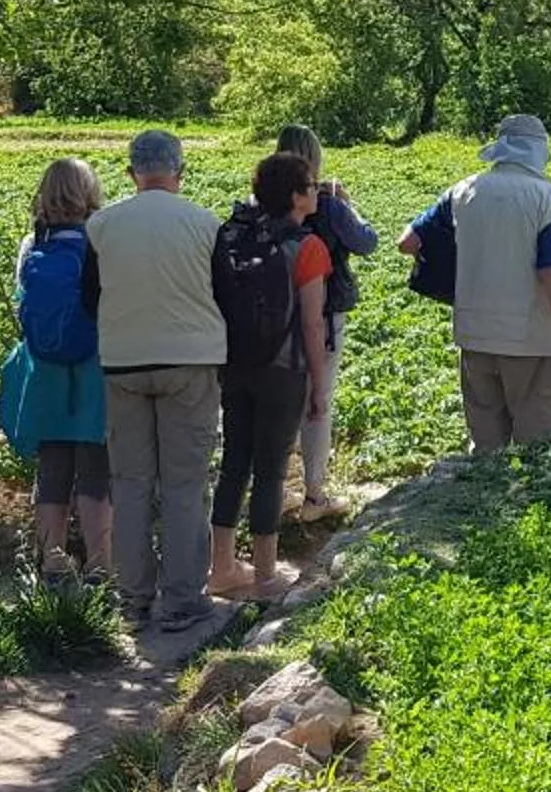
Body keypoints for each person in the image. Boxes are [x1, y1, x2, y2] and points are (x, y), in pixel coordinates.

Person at [81, 129, 226, 632]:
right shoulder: (206, 224)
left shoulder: (102, 226)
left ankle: (133, 599)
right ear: (180, 172)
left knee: (131, 482)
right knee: (185, 484)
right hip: (190, 362)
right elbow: (224, 294)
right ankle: (183, 599)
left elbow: (88, 298)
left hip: (123, 363)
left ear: (131, 174)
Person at [399, 114, 551, 453]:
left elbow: (408, 242)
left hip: (474, 334)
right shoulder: (545, 197)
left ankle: (485, 505)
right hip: (531, 341)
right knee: (536, 450)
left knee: (486, 446)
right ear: (539, 151)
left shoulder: (463, 191)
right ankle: (523, 505)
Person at [208, 152, 333, 600]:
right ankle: (265, 576)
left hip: (234, 365)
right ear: (296, 197)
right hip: (283, 370)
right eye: (312, 186)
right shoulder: (308, 247)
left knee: (233, 464)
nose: (317, 192)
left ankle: (220, 567)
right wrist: (319, 386)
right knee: (271, 470)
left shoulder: (233, 236)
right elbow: (313, 324)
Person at [3, 159, 113, 587]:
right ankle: (100, 566)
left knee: (52, 469)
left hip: (44, 369)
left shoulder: (33, 243)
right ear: (89, 194)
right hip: (92, 368)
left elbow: (23, 302)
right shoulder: (101, 241)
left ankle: (51, 563)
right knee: (95, 469)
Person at [275, 124, 375, 518]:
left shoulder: (261, 200)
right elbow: (367, 241)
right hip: (326, 312)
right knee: (319, 401)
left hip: (274, 314)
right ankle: (315, 495)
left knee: (279, 400)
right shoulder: (330, 205)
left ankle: (276, 488)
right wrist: (350, 203)